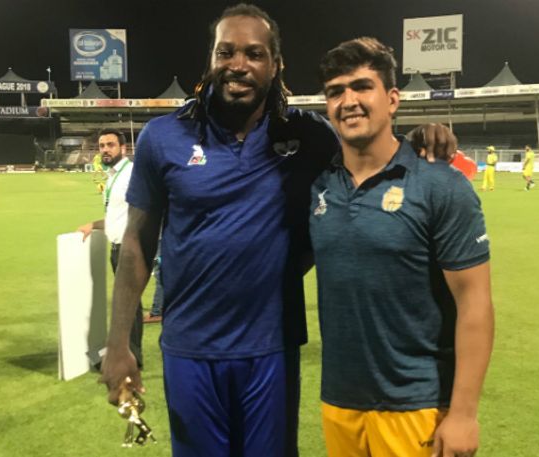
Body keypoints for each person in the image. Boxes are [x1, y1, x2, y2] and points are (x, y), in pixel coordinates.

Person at [99, 5, 457, 457]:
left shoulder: (310, 135)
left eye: (254, 54)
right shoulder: (164, 136)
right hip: (190, 348)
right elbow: (136, 242)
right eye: (226, 52)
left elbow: (371, 149)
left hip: (272, 347)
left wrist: (420, 138)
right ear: (211, 59)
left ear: (275, 65)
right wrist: (118, 343)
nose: (238, 65)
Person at [311, 37, 494, 457]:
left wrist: (464, 413)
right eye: (336, 92)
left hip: (417, 405)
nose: (348, 101)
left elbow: (474, 301)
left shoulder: (440, 185)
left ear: (392, 99)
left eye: (362, 87)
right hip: (339, 401)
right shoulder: (319, 185)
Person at [77, 129, 143, 368]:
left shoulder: (131, 174)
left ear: (123, 148)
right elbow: (116, 216)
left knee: (127, 304)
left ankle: (128, 360)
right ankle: (128, 356)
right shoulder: (114, 176)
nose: (105, 149)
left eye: (110, 145)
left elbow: (145, 211)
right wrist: (93, 225)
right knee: (127, 304)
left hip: (129, 248)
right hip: (118, 247)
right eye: (102, 145)